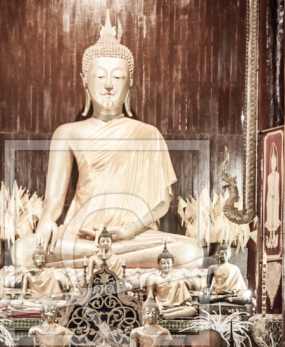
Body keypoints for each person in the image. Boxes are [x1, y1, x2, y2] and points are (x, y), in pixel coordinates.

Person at [14, 10, 202, 270]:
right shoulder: (67, 133)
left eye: (118, 76)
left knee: (190, 252)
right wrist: (46, 220)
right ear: (85, 82)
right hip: (82, 235)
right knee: (23, 251)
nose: (109, 85)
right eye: (100, 76)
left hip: (133, 237)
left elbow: (161, 202)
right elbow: (54, 199)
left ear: (130, 84)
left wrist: (130, 230)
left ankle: (101, 263)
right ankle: (109, 262)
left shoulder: (148, 134)